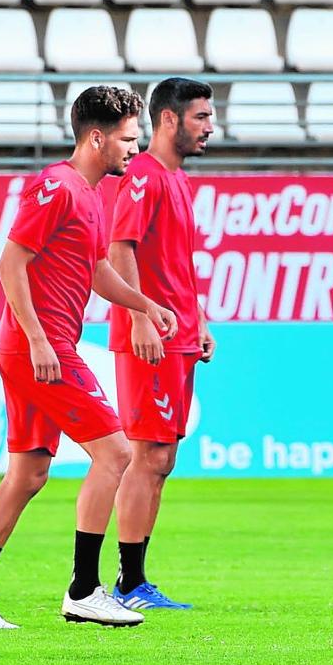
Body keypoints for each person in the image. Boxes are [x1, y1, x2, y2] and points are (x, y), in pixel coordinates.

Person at [0, 86, 178, 629]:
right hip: (42, 349)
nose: (134, 149)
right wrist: (39, 339)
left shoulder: (90, 195)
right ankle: (84, 589)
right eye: (128, 139)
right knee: (116, 454)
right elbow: (10, 263)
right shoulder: (56, 187)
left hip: (42, 347)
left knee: (28, 474)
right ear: (95, 136)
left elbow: (98, 272)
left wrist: (144, 304)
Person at [108, 78, 215, 611]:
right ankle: (127, 583)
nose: (210, 127)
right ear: (168, 119)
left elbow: (176, 263)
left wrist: (199, 318)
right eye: (200, 117)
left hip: (179, 337)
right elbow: (119, 248)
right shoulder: (143, 177)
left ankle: (135, 579)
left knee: (163, 457)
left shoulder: (176, 179)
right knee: (147, 454)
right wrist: (139, 319)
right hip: (150, 338)